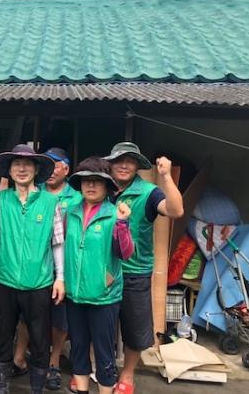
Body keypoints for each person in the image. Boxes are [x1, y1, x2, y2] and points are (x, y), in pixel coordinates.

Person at [0, 144, 65, 394]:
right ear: (10, 170)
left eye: (27, 164)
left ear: (36, 169)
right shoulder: (0, 199)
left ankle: (36, 389)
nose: (22, 169)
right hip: (6, 280)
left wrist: (60, 278)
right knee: (3, 335)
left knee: (39, 338)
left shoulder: (50, 202)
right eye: (17, 164)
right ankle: (2, 387)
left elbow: (57, 242)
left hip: (39, 282)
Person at [104, 142, 184, 394]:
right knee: (100, 324)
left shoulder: (149, 193)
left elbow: (176, 210)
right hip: (102, 270)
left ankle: (127, 374)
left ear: (138, 166)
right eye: (119, 160)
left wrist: (166, 177)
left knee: (134, 328)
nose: (124, 165)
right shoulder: (101, 188)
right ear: (110, 164)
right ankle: (100, 367)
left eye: (130, 161)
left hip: (134, 271)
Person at [11, 147, 81, 390]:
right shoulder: (34, 192)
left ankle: (53, 363)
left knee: (60, 318)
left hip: (63, 267)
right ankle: (19, 358)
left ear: (66, 169)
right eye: (47, 164)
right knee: (25, 315)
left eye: (56, 164)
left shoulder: (77, 198)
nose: (51, 170)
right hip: (33, 267)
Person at [65, 157, 134, 394]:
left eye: (97, 181)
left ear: (107, 186)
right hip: (74, 294)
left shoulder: (115, 214)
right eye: (86, 181)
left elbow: (125, 253)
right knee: (78, 347)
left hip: (103, 296)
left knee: (105, 353)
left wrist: (123, 224)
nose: (91, 185)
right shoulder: (71, 212)